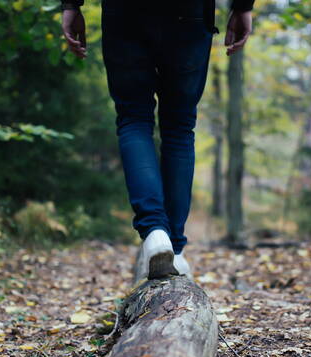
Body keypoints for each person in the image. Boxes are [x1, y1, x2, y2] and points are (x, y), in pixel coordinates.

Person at [61, 0, 253, 282]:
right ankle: (173, 248)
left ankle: (155, 233)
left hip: (124, 13)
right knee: (179, 127)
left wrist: (70, 5)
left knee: (134, 119)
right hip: (189, 13)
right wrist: (243, 7)